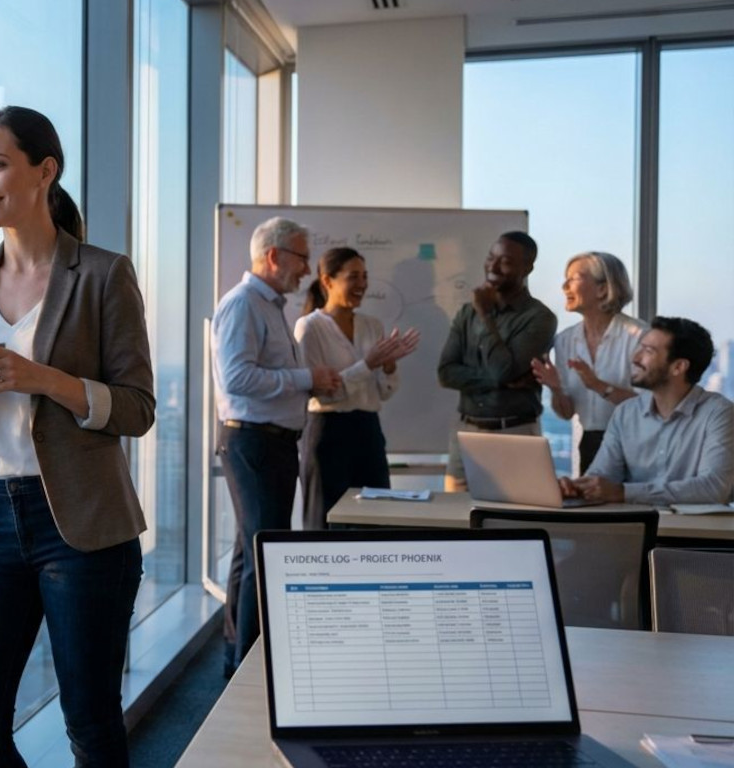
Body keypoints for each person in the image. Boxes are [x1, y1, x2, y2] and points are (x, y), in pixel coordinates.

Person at [0, 106, 155, 768]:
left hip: (85, 526)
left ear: (44, 170)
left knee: (90, 724)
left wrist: (44, 379)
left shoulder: (104, 274)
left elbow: (137, 408)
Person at [211, 216, 341, 678]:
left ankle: (236, 661)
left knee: (250, 551)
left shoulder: (267, 306)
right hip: (254, 442)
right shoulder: (243, 304)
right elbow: (237, 378)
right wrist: (306, 378)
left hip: (270, 443)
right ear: (273, 256)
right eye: (302, 258)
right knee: (264, 553)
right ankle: (251, 671)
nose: (306, 269)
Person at [295, 248, 420, 527]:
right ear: (327, 281)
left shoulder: (371, 325)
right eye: (353, 277)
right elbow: (322, 393)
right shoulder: (310, 327)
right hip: (327, 432)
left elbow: (384, 392)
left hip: (368, 430)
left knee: (376, 520)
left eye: (365, 276)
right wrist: (368, 364)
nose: (362, 284)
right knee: (323, 521)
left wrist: (388, 366)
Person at [561, 316, 734, 506]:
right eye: (640, 347)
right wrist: (575, 487)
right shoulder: (626, 413)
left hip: (693, 525)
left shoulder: (718, 414)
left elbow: (713, 488)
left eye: (648, 351)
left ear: (678, 367)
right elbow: (601, 477)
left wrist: (624, 493)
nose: (635, 358)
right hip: (636, 524)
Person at [438, 231, 558, 491]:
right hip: (466, 431)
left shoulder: (539, 317)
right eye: (491, 257)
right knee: (454, 512)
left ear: (527, 268)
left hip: (515, 432)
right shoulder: (466, 312)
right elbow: (446, 372)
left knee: (515, 513)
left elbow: (502, 370)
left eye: (505, 261)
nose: (492, 267)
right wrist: (499, 381)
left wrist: (485, 316)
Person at [531, 252, 646, 473]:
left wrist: (599, 386)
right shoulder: (565, 340)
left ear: (603, 289)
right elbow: (567, 413)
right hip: (590, 444)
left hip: (634, 444)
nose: (564, 287)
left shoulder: (639, 336)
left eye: (573, 278)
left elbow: (650, 406)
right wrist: (556, 388)